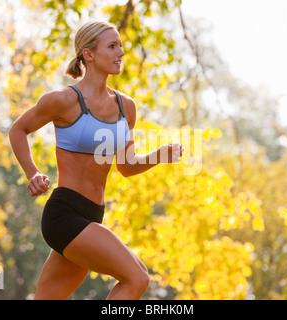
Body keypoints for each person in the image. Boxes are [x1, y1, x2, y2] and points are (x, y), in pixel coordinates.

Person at [9, 20, 183, 300]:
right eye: (112, 46)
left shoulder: (125, 107)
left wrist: (159, 156)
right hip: (64, 213)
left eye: (121, 46)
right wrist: (32, 173)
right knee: (136, 277)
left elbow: (126, 166)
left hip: (93, 215)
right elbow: (18, 129)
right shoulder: (64, 100)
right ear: (88, 54)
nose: (121, 53)